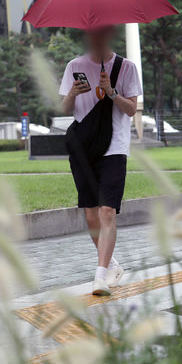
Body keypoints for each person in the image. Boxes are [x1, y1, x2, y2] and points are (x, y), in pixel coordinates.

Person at [59, 26, 142, 296]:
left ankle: (99, 277)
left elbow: (132, 109)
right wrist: (72, 92)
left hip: (114, 148)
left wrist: (112, 92)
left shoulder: (126, 67)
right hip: (84, 149)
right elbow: (63, 109)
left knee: (108, 211)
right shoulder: (74, 65)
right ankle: (111, 265)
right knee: (91, 214)